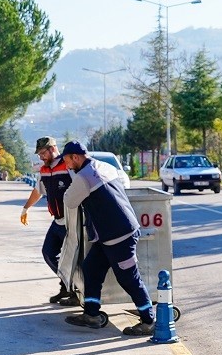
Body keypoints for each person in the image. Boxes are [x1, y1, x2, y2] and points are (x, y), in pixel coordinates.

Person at [58, 140, 155, 336]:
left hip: (120, 235)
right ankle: (92, 314)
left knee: (129, 278)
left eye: (67, 160)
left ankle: (149, 320)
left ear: (76, 157)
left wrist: (73, 178)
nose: (66, 165)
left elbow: (69, 200)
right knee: (91, 268)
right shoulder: (105, 166)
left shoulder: (83, 177)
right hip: (110, 235)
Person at [20, 136, 79, 305]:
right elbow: (38, 191)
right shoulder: (44, 170)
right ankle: (67, 285)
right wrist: (26, 208)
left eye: (42, 153)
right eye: (39, 154)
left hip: (72, 222)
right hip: (58, 221)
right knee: (49, 253)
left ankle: (76, 291)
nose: (41, 157)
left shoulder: (68, 166)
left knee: (74, 258)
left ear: (52, 149)